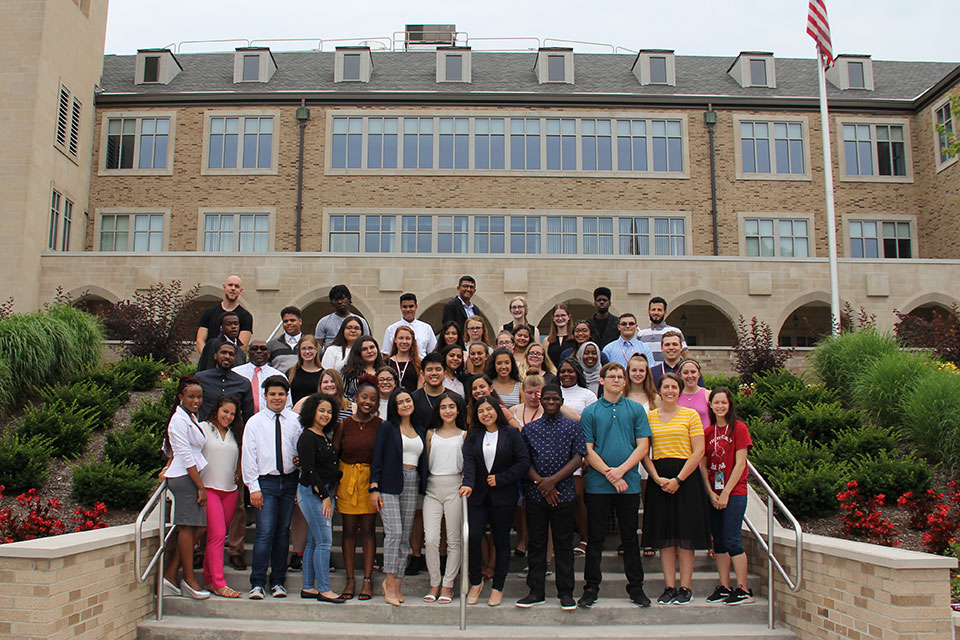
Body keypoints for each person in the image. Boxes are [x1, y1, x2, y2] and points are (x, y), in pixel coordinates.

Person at [578, 362, 652, 609]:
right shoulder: (591, 412)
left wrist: (621, 471)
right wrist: (610, 474)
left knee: (630, 538)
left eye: (621, 376)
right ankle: (591, 588)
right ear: (601, 380)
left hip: (628, 484)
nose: (617, 380)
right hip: (598, 485)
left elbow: (643, 446)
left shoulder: (635, 409)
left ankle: (636, 588)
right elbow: (587, 450)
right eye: (612, 376)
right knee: (596, 538)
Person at [642, 372, 711, 606]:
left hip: (686, 479)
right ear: (659, 390)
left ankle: (685, 587)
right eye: (666, 387)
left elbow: (698, 451)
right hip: (659, 479)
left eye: (674, 387)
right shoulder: (649, 417)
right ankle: (669, 587)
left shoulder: (690, 415)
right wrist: (657, 478)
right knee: (666, 537)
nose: (670, 391)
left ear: (680, 391)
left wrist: (678, 479)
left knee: (685, 537)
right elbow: (644, 452)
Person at [518, 384, 586, 611]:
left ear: (562, 400)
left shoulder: (572, 427)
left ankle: (565, 592)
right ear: (540, 400)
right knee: (536, 544)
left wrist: (552, 481)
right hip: (537, 495)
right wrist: (541, 484)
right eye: (547, 398)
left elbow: (578, 458)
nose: (550, 402)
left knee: (564, 544)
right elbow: (524, 460)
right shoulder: (530, 429)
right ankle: (536, 591)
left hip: (563, 493)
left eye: (555, 398)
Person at [461, 396, 530, 607]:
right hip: (478, 495)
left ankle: (498, 586)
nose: (485, 414)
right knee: (473, 536)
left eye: (489, 409)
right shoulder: (473, 435)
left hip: (503, 495)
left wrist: (502, 478)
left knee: (501, 541)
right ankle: (475, 581)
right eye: (481, 411)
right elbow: (469, 462)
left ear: (497, 411)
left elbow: (523, 461)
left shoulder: (511, 433)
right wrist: (469, 483)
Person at [241, 375, 302, 599]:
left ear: (287, 397)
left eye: (280, 394)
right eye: (272, 394)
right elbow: (248, 456)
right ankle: (257, 582)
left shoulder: (295, 421)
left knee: (282, 533)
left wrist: (299, 465)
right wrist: (253, 488)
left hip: (288, 481)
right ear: (265, 396)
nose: (276, 398)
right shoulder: (255, 422)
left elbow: (300, 450)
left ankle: (278, 581)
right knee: (265, 532)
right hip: (265, 482)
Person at [370, 389, 428, 606]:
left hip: (412, 481)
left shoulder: (420, 430)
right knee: (394, 532)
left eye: (408, 401)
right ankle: (390, 581)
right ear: (394, 406)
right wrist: (374, 487)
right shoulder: (387, 428)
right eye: (400, 402)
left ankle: (398, 582)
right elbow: (377, 457)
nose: (405, 404)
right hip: (389, 482)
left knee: (405, 536)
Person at [699, 387, 754, 606]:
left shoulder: (739, 429)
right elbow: (704, 466)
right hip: (714, 493)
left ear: (729, 405)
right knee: (719, 542)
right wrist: (711, 493)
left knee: (732, 540)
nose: (720, 406)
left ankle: (743, 589)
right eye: (716, 402)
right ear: (710, 405)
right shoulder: (708, 432)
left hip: (735, 493)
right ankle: (724, 586)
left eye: (724, 402)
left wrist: (726, 493)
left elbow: (740, 463)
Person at [161, 377, 211, 600]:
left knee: (198, 528)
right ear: (181, 397)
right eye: (191, 396)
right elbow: (184, 454)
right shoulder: (178, 420)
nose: (196, 400)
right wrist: (200, 487)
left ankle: (171, 574)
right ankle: (189, 580)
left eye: (199, 397)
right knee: (188, 528)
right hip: (185, 478)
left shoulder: (190, 417)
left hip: (190, 477)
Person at [333, 374, 381, 601]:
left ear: (377, 403)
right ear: (356, 398)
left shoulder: (381, 426)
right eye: (364, 397)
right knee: (349, 530)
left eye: (373, 399)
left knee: (369, 530)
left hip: (369, 480)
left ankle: (368, 580)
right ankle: (350, 579)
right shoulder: (344, 424)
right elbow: (335, 453)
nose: (368, 402)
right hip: (347, 479)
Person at [296, 392, 346, 603]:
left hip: (324, 490)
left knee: (314, 542)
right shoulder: (307, 436)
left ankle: (308, 587)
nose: (325, 415)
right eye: (321, 410)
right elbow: (308, 470)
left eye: (329, 411)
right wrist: (325, 496)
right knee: (325, 541)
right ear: (312, 412)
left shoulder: (323, 436)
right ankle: (325, 589)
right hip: (313, 493)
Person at [422, 391, 467, 605]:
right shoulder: (431, 433)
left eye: (451, 406)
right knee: (430, 538)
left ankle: (448, 585)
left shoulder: (464, 434)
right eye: (443, 407)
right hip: (432, 487)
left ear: (458, 410)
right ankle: (434, 582)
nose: (448, 411)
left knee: (453, 540)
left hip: (455, 486)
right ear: (438, 411)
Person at [200, 394, 243, 598]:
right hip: (209, 489)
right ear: (217, 409)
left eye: (232, 414)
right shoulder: (203, 428)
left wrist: (240, 470)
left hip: (230, 491)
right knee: (217, 535)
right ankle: (219, 583)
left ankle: (209, 580)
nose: (228, 416)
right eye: (225, 411)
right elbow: (186, 451)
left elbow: (243, 453)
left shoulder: (235, 433)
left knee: (217, 536)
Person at [195, 342, 255, 425]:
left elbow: (248, 415)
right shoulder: (200, 379)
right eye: (223, 353)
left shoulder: (244, 383)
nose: (227, 356)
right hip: (205, 431)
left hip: (232, 433)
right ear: (215, 356)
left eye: (231, 354)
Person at [196, 275, 253, 355]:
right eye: (230, 285)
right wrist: (208, 358)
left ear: (241, 291)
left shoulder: (246, 316)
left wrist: (227, 359)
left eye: (236, 286)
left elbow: (242, 346)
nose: (233, 288)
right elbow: (200, 341)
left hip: (232, 363)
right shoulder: (209, 312)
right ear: (224, 287)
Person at [234, 339, 291, 414]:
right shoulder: (236, 373)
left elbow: (288, 405)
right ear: (248, 352)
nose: (259, 351)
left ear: (269, 354)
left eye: (263, 349)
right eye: (254, 348)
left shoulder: (278, 376)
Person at [381, 293, 437, 358]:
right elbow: (386, 354)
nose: (408, 309)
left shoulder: (426, 328)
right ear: (400, 307)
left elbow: (433, 352)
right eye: (405, 307)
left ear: (416, 306)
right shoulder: (391, 329)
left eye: (411, 306)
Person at [637, 297, 690, 365]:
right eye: (653, 310)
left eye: (659, 310)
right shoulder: (641, 334)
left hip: (667, 374)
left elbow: (686, 355)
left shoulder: (675, 331)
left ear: (665, 312)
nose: (656, 312)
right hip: (648, 374)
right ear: (648, 312)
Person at [342, 336, 385, 401]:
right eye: (364, 349)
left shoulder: (385, 371)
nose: (369, 351)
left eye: (372, 347)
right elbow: (342, 394)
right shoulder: (348, 372)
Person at [286, 335, 324, 406]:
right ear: (299, 351)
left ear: (317, 350)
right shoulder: (291, 373)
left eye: (310, 348)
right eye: (303, 349)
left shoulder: (324, 374)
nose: (307, 351)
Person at [385, 325, 422, 392]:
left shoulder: (419, 363)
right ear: (395, 340)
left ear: (412, 341)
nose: (404, 342)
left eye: (407, 338)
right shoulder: (386, 363)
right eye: (401, 338)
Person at [268, 306, 303, 372]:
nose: (289, 323)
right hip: (279, 381)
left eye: (292, 320)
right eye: (286, 321)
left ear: (300, 321)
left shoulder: (311, 344)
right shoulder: (272, 344)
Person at [677, 359, 710, 428]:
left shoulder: (708, 395)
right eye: (686, 373)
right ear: (680, 375)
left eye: (693, 372)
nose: (690, 376)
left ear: (699, 374)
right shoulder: (676, 396)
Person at [544, 304, 574, 368]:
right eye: (557, 316)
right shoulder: (547, 340)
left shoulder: (575, 339)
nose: (560, 318)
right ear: (553, 318)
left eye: (563, 315)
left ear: (569, 317)